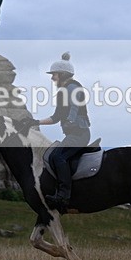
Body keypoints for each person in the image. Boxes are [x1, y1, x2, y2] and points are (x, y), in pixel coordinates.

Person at [24, 52, 91, 211]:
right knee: (54, 155)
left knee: (58, 156)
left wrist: (71, 119)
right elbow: (56, 117)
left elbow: (74, 106)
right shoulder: (63, 91)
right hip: (73, 134)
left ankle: (63, 196)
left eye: (54, 74)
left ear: (62, 74)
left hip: (79, 134)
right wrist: (35, 122)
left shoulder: (72, 87)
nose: (52, 78)